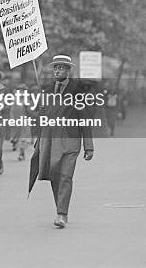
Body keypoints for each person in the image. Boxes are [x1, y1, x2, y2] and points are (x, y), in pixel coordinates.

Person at [28, 55, 94, 229]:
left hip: (71, 140)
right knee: (55, 176)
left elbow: (84, 118)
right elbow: (40, 118)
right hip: (51, 139)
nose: (57, 70)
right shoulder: (47, 90)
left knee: (66, 176)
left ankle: (61, 214)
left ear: (68, 70)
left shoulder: (78, 90)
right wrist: (41, 112)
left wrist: (89, 146)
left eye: (61, 67)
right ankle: (60, 208)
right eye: (55, 67)